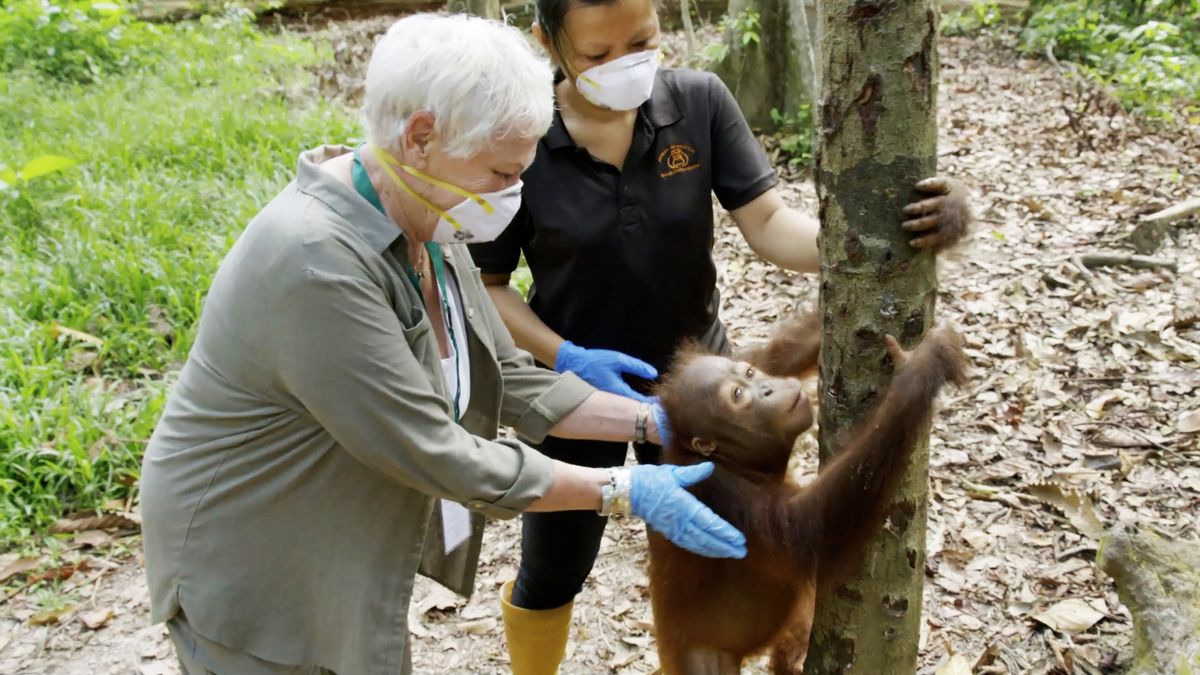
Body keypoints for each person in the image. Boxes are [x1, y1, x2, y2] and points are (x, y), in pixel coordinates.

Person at [138, 13, 749, 675]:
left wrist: (651, 418)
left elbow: (504, 375)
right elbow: (435, 451)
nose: (513, 194)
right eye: (499, 171)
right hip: (254, 555)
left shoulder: (427, 216)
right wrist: (623, 488)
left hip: (342, 541)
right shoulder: (316, 263)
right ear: (422, 136)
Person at [466, 0, 975, 671]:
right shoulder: (524, 139)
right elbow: (489, 286)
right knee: (556, 565)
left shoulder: (697, 102)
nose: (626, 63)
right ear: (548, 43)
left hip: (704, 388)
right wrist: (563, 354)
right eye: (597, 54)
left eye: (643, 39)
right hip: (577, 386)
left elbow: (768, 223)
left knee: (733, 549)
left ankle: (761, 649)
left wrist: (897, 236)